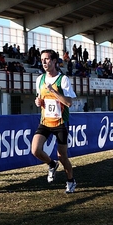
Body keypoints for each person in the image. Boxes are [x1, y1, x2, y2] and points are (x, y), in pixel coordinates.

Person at [31, 49, 77, 194]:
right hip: (45, 121)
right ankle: (51, 164)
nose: (44, 62)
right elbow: (40, 98)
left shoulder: (63, 79)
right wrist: (38, 102)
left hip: (60, 122)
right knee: (35, 150)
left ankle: (71, 181)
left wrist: (54, 92)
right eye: (42, 59)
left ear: (54, 61)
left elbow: (69, 103)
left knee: (62, 156)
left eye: (47, 59)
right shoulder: (39, 79)